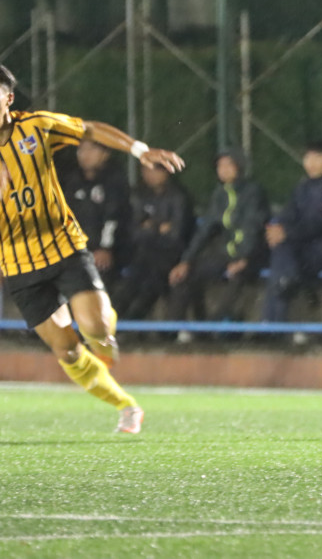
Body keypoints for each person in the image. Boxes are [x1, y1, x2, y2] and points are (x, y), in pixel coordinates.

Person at [0, 63, 184, 433]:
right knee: (67, 350)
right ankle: (126, 406)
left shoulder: (35, 126)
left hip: (63, 246)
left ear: (9, 98)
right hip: (17, 264)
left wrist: (140, 150)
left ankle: (104, 337)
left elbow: (90, 129)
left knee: (96, 328)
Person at [167, 149, 269, 328]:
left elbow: (252, 229)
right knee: (187, 275)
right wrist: (186, 260)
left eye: (228, 165)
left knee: (237, 277)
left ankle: (213, 325)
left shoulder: (253, 192)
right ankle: (173, 329)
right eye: (220, 166)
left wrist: (243, 258)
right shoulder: (220, 194)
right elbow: (205, 229)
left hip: (253, 254)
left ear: (239, 167)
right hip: (225, 252)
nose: (223, 169)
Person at [262, 141, 322, 324]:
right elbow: (288, 213)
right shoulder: (303, 187)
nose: (310, 163)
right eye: (307, 157)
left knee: (281, 269)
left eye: (317, 158)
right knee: (281, 261)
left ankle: (271, 324)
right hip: (299, 248)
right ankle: (273, 320)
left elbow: (320, 221)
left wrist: (286, 233)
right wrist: (277, 228)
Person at [113, 162, 194, 320]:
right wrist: (159, 227)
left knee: (150, 280)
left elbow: (175, 235)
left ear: (166, 172)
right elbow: (134, 232)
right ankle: (117, 319)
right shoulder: (138, 195)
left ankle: (130, 321)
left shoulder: (179, 196)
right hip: (143, 254)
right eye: (146, 170)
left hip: (171, 256)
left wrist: (150, 226)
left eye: (155, 170)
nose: (150, 175)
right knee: (133, 281)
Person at [60, 138, 132, 285]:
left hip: (107, 250)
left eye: (92, 149)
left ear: (105, 154)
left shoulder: (114, 181)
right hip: (75, 249)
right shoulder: (71, 180)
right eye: (81, 149)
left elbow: (113, 218)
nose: (85, 154)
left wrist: (105, 248)